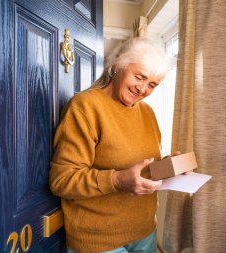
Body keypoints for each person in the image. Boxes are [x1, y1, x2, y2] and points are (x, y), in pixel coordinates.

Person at [49, 37, 172, 253]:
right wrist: (116, 180)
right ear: (117, 66)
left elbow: (144, 168)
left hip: (145, 232)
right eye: (139, 77)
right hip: (99, 241)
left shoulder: (148, 113)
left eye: (152, 84)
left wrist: (171, 166)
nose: (143, 89)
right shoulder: (85, 107)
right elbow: (62, 180)